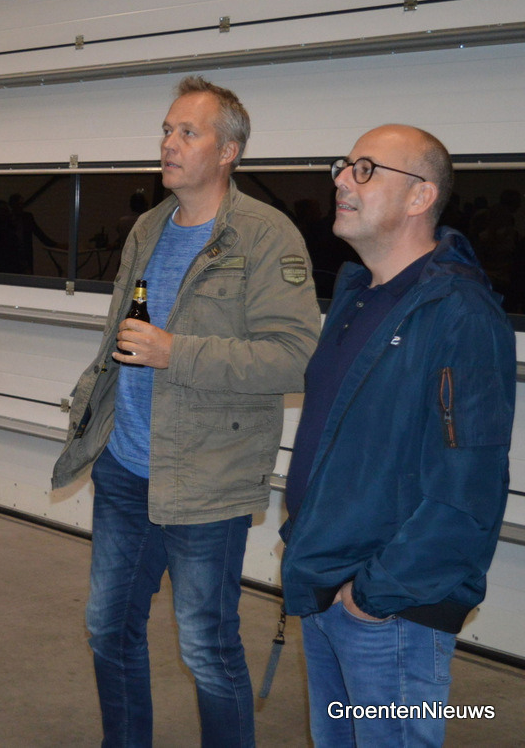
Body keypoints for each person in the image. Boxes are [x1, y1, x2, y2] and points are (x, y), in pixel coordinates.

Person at [52, 76, 321, 747]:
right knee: (107, 628)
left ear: (228, 151)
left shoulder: (266, 236)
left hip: (207, 478)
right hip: (124, 468)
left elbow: (294, 357)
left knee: (206, 647)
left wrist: (177, 352)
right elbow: (118, 337)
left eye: (188, 132)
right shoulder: (148, 228)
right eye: (167, 131)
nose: (169, 143)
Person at [280, 125, 515, 747]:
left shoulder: (461, 315)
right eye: (343, 166)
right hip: (326, 585)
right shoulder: (359, 296)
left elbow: (469, 491)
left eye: (365, 169)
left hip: (390, 611)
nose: (341, 179)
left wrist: (373, 595)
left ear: (420, 196)